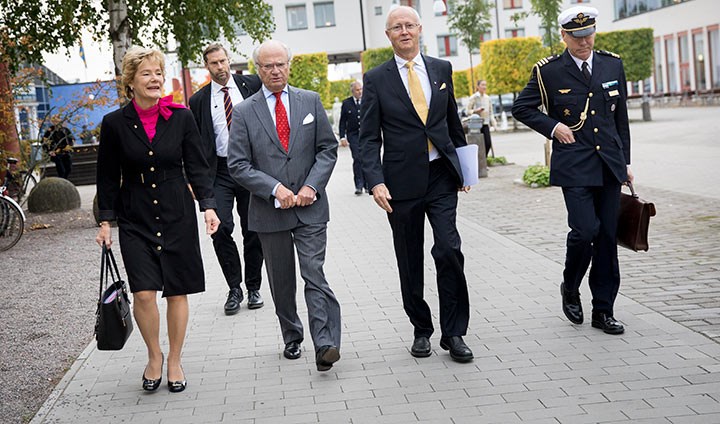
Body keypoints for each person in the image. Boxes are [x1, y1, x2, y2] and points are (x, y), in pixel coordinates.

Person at [95, 46, 220, 393]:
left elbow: (197, 165)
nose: (155, 79)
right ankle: (154, 355)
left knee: (177, 291)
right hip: (134, 217)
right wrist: (105, 221)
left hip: (177, 212)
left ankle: (176, 359)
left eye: (159, 73)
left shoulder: (180, 117)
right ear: (131, 81)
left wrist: (208, 206)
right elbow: (106, 177)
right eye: (147, 73)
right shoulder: (114, 124)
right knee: (145, 293)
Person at [359, 6, 473, 363]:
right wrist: (375, 182)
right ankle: (421, 329)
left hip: (440, 175)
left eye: (409, 25)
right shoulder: (376, 78)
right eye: (397, 27)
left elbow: (453, 123)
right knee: (409, 259)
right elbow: (367, 139)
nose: (404, 31)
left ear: (420, 29)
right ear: (389, 35)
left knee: (449, 249)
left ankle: (454, 332)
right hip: (399, 184)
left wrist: (465, 170)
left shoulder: (441, 69)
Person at [512, 6, 633, 335]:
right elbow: (521, 107)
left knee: (607, 237)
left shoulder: (612, 63)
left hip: (608, 164)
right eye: (577, 37)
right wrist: (553, 127)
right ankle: (570, 286)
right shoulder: (549, 71)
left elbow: (619, 118)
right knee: (584, 231)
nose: (585, 42)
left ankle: (603, 310)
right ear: (564, 36)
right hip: (575, 163)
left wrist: (626, 163)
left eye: (589, 35)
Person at [227, 40, 342, 372]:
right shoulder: (246, 111)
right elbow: (238, 164)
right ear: (258, 70)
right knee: (281, 281)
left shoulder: (311, 101)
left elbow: (327, 149)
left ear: (289, 66)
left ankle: (326, 343)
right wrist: (274, 189)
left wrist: (311, 185)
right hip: (268, 211)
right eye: (268, 66)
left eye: (280, 64)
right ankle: (292, 334)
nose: (275, 70)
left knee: (314, 274)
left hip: (310, 207)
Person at [189, 43, 265, 315]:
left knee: (254, 228)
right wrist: (195, 182)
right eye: (213, 63)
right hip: (219, 171)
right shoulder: (198, 101)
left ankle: (254, 286)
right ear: (206, 66)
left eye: (222, 61)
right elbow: (195, 145)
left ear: (229, 60)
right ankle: (235, 287)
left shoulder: (253, 85)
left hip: (251, 168)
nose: (220, 67)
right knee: (220, 228)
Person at [339, 81, 368, 195]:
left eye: (361, 89)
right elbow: (342, 122)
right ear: (352, 91)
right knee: (357, 158)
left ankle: (368, 184)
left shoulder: (368, 100)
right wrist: (342, 137)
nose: (360, 92)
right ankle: (359, 185)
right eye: (357, 90)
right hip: (353, 135)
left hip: (366, 134)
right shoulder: (346, 103)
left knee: (367, 158)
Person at [465, 80, 497, 156]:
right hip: (475, 124)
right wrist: (475, 111)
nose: (484, 87)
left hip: (485, 123)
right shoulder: (474, 97)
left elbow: (490, 112)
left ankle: (483, 160)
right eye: (482, 85)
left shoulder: (487, 98)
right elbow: (467, 111)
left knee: (488, 143)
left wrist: (494, 124)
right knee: (477, 144)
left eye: (485, 85)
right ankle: (478, 162)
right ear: (478, 86)